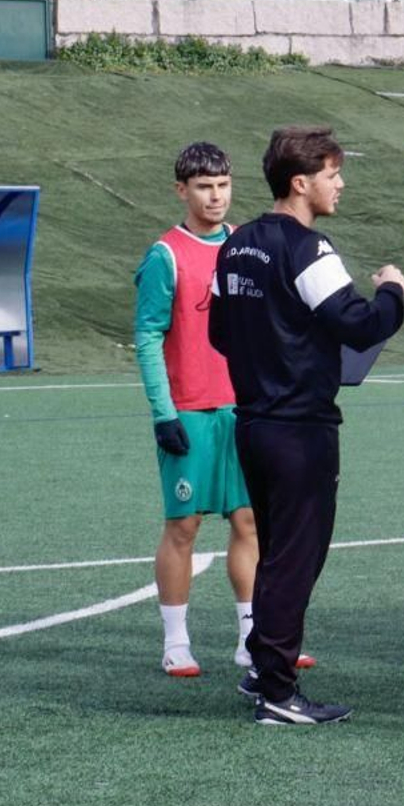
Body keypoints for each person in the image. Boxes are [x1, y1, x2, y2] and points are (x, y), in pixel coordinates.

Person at [209, 126, 404, 725]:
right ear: (301, 183)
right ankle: (278, 691)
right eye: (331, 174)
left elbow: (220, 332)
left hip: (253, 425)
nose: (340, 184)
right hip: (301, 429)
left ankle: (263, 671)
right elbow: (361, 325)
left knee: (275, 553)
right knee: (296, 558)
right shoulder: (307, 247)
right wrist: (393, 292)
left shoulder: (235, 243)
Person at [134, 142, 261, 679]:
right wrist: (164, 413)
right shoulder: (165, 255)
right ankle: (176, 642)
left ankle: (251, 638)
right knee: (184, 525)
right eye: (205, 186)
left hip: (244, 410)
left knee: (250, 521)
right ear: (181, 190)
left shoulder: (245, 246)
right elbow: (146, 335)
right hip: (189, 412)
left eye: (224, 185)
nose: (216, 196)